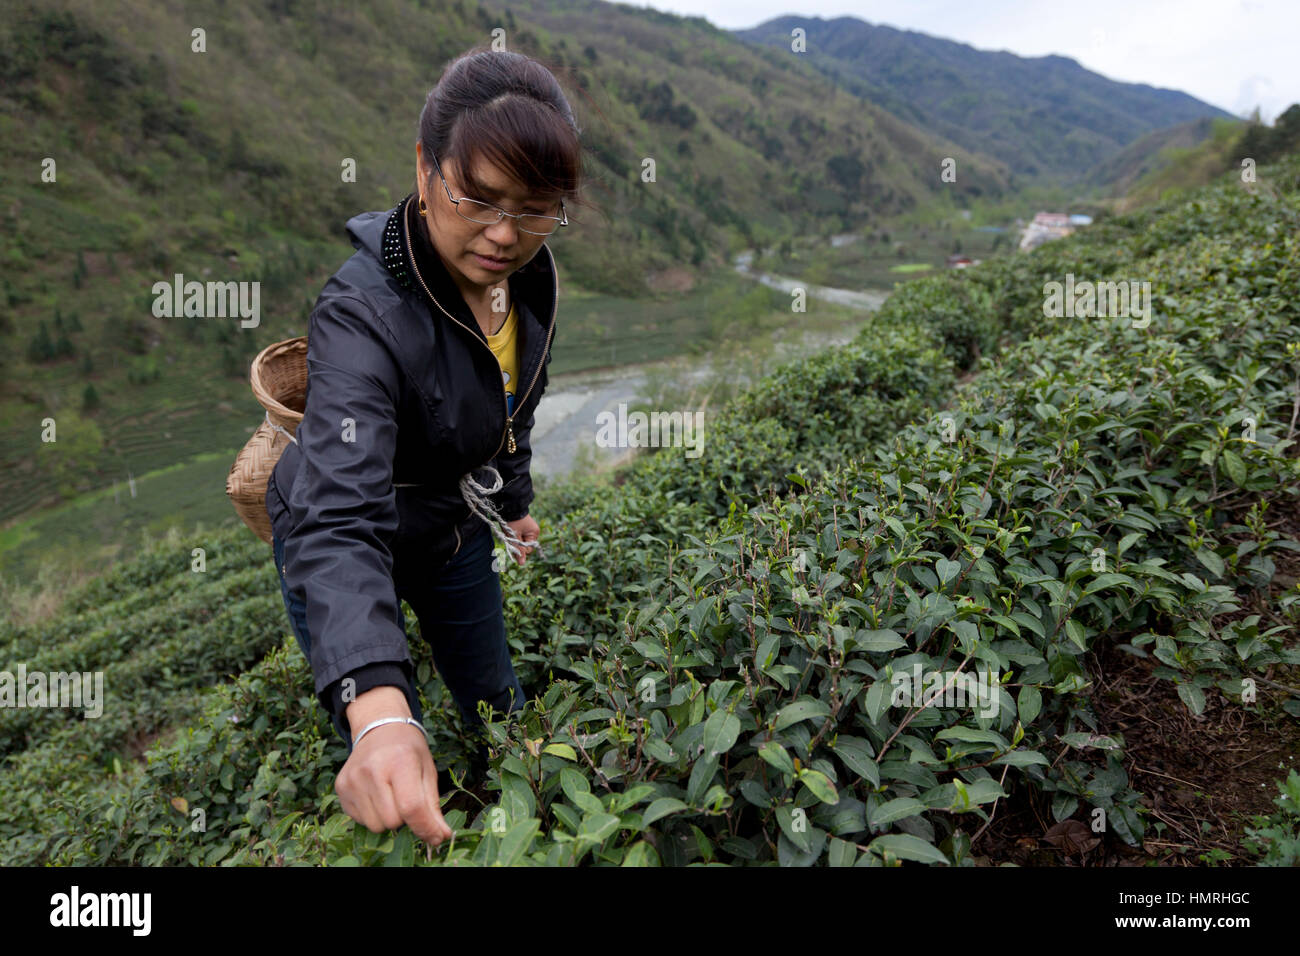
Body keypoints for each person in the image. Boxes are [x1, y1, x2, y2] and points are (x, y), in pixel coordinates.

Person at [264, 46, 585, 849]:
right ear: (425, 168)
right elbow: (337, 515)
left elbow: (509, 407)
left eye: (537, 207)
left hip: (449, 531)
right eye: (479, 198)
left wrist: (514, 504)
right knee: (381, 731)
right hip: (349, 532)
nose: (505, 234)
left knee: (497, 707)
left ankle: (503, 810)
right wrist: (376, 707)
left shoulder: (530, 285)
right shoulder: (362, 312)